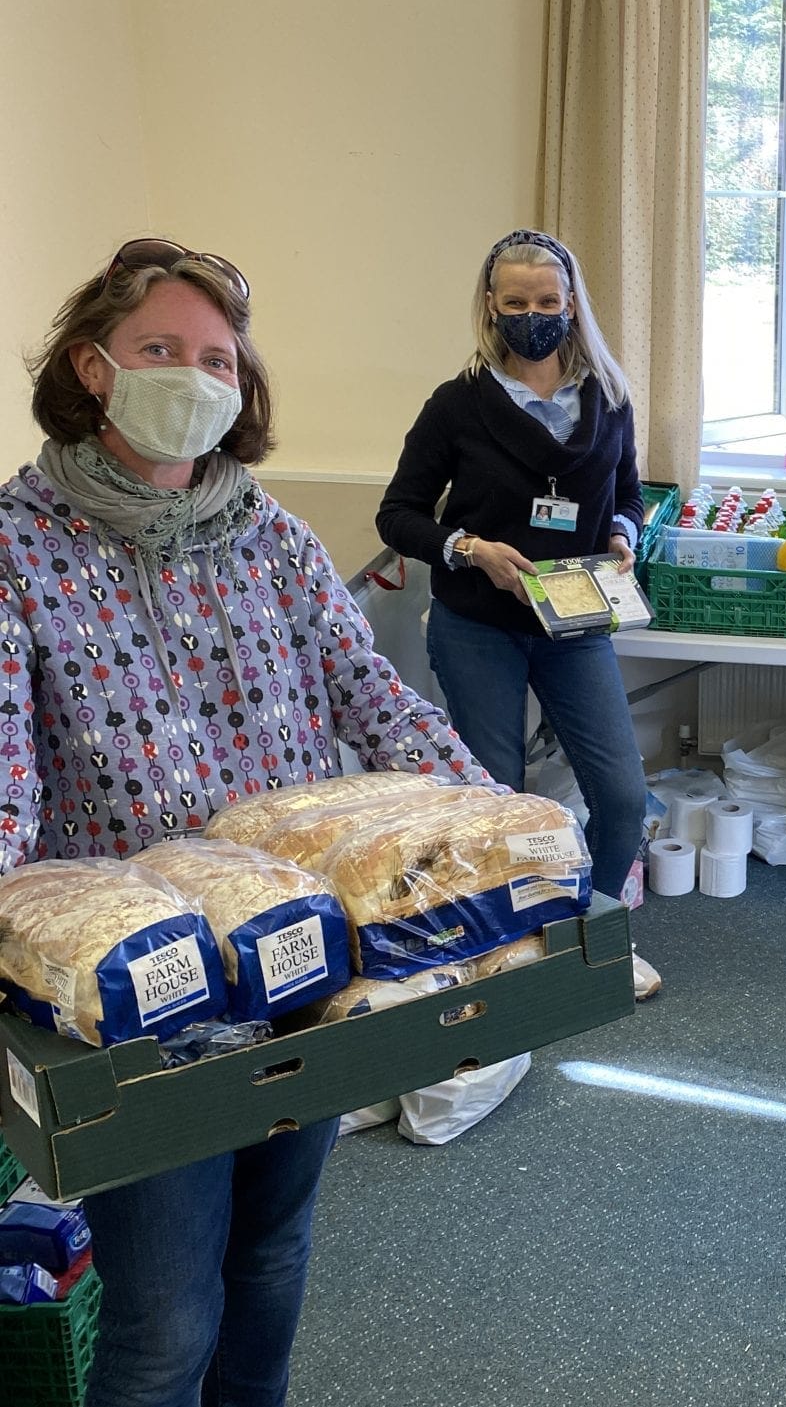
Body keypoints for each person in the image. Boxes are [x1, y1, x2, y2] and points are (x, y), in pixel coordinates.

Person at [10, 239, 489, 1406]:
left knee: (271, 1256)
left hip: (296, 957)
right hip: (137, 994)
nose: (194, 375)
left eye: (217, 358)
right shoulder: (17, 547)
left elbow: (371, 695)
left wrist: (492, 825)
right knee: (165, 1322)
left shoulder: (268, 535)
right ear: (92, 368)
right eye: (160, 348)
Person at [376, 228, 658, 995]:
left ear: (572, 305)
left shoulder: (608, 396)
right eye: (517, 302)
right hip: (478, 626)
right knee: (494, 801)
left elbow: (628, 493)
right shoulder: (458, 404)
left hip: (573, 624)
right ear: (491, 306)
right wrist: (470, 549)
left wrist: (623, 533)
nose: (534, 316)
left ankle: (592, 933)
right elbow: (397, 515)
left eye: (547, 301)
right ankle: (503, 948)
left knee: (623, 796)